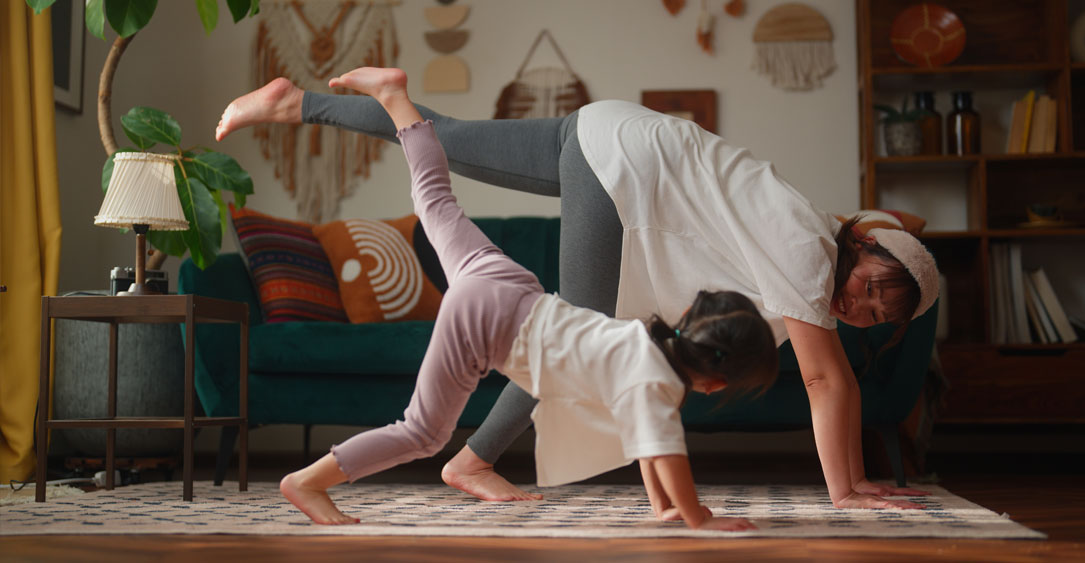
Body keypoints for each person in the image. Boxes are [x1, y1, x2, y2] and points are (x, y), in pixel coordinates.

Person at [216, 75, 938, 510]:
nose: (859, 308)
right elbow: (824, 378)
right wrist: (846, 490)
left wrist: (854, 477)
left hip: (606, 129)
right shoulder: (813, 251)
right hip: (621, 166)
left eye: (877, 316)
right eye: (871, 287)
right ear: (864, 246)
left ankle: (295, 103)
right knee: (576, 335)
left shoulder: (814, 237)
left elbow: (836, 369)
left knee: (447, 138)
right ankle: (472, 459)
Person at [265, 66, 779, 530]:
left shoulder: (644, 343)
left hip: (507, 285)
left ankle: (395, 98)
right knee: (422, 434)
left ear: (688, 319)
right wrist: (697, 519)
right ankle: (307, 481)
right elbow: (666, 453)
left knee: (435, 201)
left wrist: (665, 508)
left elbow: (649, 447)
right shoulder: (656, 381)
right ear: (716, 382)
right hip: (488, 319)